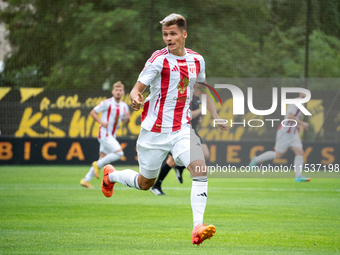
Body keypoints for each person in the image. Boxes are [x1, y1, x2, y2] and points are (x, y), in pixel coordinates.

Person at [100, 13, 228, 246]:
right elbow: (136, 89)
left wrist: (216, 116)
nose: (168, 38)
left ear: (184, 34)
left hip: (182, 129)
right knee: (145, 183)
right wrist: (136, 97)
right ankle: (111, 176)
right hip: (153, 132)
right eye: (165, 34)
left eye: (173, 34)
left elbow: (203, 89)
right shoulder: (158, 59)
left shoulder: (197, 60)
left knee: (200, 170)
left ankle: (197, 227)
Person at [150, 92, 210, 196]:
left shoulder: (197, 97)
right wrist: (201, 110)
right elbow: (189, 115)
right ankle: (156, 185)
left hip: (192, 131)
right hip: (180, 131)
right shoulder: (187, 95)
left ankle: (180, 167)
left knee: (205, 153)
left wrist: (199, 117)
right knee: (171, 161)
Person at [249, 92, 310, 182]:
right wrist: (302, 123)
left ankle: (298, 177)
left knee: (300, 152)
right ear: (300, 93)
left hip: (293, 133)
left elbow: (296, 117)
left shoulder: (303, 104)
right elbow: (290, 116)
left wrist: (297, 126)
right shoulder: (296, 102)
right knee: (278, 155)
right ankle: (256, 159)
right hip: (285, 132)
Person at [80, 81, 130, 188]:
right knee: (119, 153)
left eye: (120, 90)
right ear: (112, 91)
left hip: (112, 135)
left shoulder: (124, 106)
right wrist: (101, 123)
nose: (118, 92)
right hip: (104, 134)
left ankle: (86, 180)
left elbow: (126, 121)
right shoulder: (107, 103)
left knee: (102, 158)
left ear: (123, 92)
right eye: (116, 90)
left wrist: (128, 119)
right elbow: (93, 112)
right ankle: (96, 165)